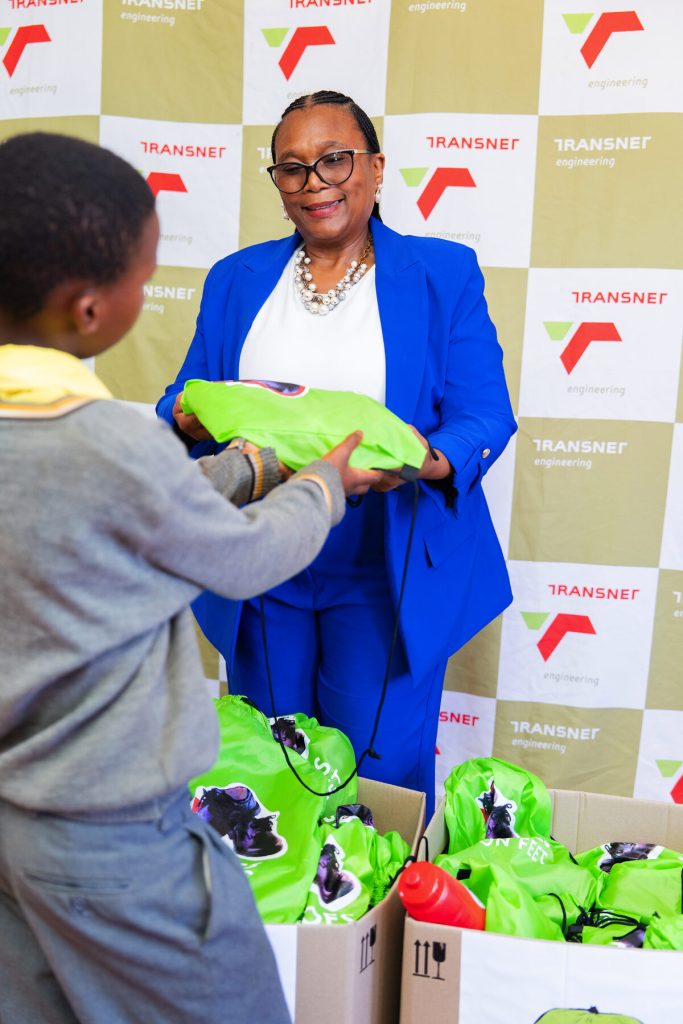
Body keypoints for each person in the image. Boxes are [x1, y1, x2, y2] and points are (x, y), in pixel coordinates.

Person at [0, 132, 380, 1024]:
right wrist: (325, 484)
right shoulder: (111, 443)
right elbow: (241, 558)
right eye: (145, 273)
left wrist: (244, 466)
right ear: (91, 311)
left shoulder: (68, 444)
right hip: (119, 841)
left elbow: (96, 513)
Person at [157, 90, 517, 818]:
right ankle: (288, 925)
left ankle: (368, 927)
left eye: (334, 160)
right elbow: (181, 397)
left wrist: (418, 460)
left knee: (375, 778)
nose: (313, 181)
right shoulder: (236, 279)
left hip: (381, 556)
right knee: (267, 765)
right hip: (261, 551)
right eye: (291, 168)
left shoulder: (441, 273)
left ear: (375, 168)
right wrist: (187, 416)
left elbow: (483, 413)